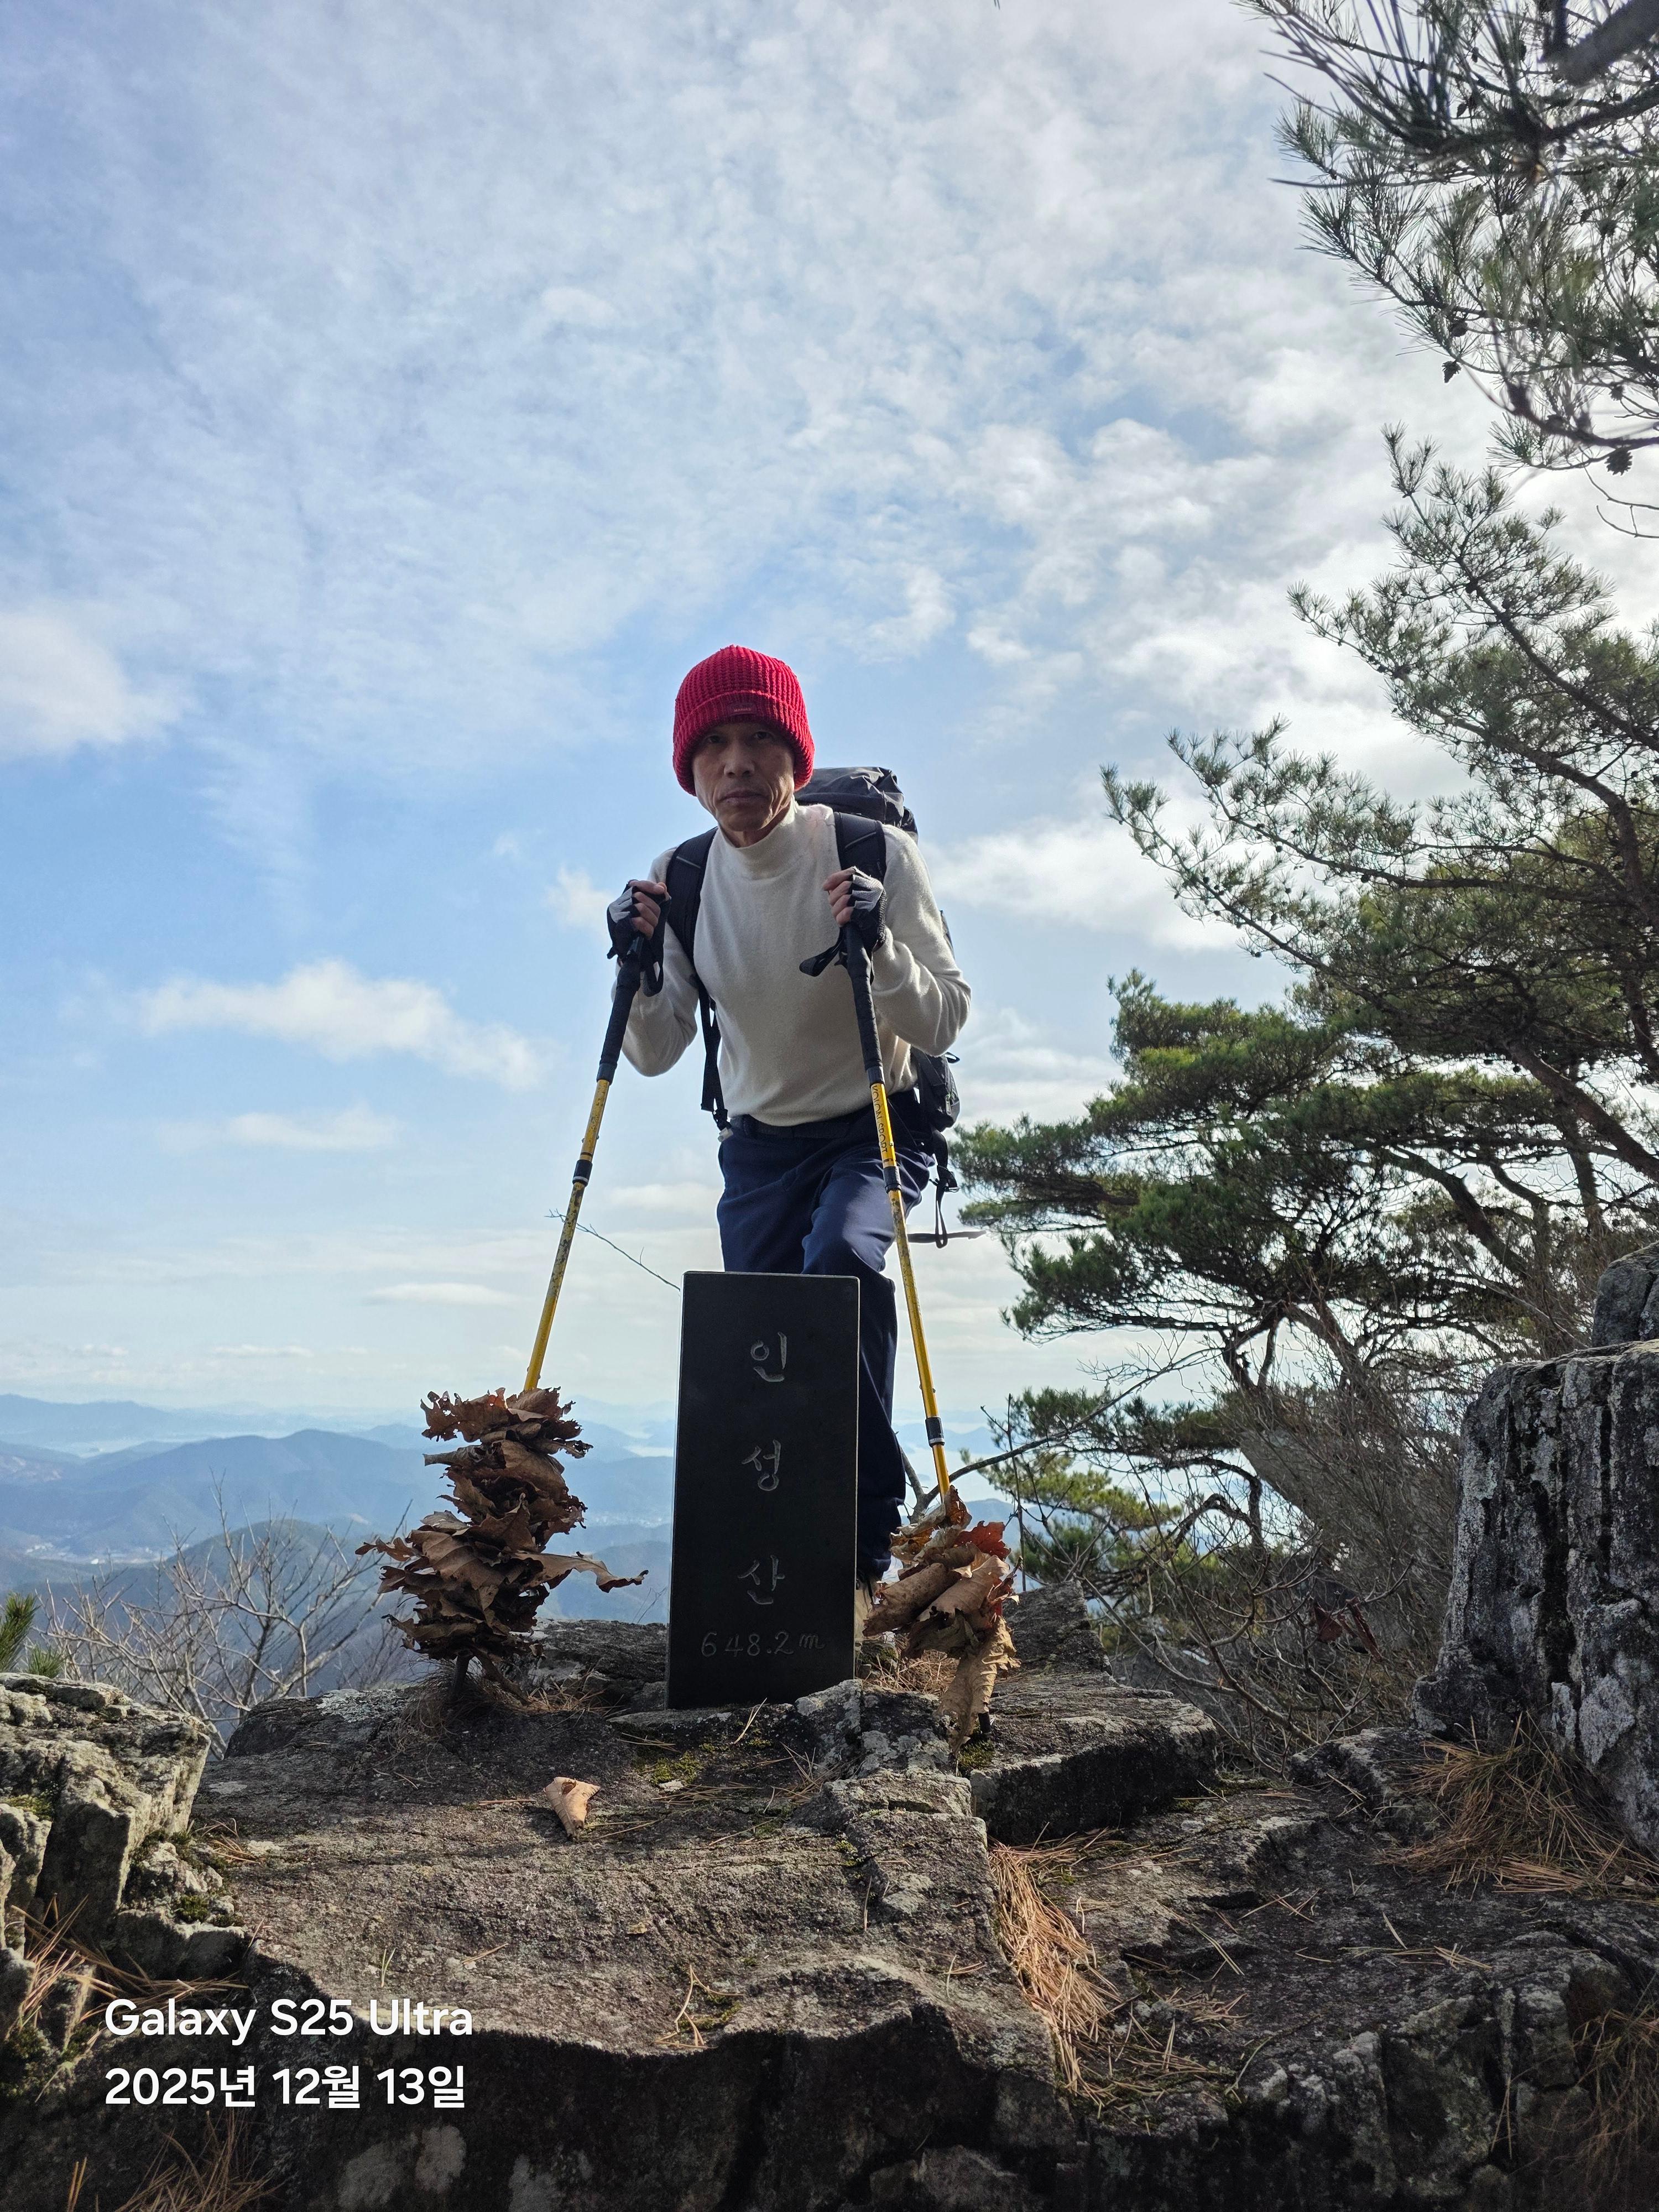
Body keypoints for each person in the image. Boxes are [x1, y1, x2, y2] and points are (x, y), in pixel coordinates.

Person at [609, 643, 969, 1601]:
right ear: (688, 767)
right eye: (714, 744)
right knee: (763, 1340)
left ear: (796, 756)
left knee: (840, 1268)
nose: (736, 764)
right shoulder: (684, 878)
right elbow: (656, 1051)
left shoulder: (871, 854)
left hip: (876, 1125)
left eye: (760, 740)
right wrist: (637, 968)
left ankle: (862, 1539)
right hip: (761, 1146)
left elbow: (943, 1018)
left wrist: (878, 944)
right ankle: (776, 1552)